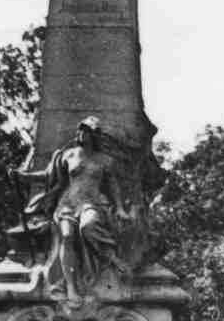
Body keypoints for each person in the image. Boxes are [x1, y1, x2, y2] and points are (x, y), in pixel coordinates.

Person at [21, 116, 147, 310]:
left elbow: (113, 186)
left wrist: (120, 208)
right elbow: (48, 177)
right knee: (66, 235)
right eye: (80, 130)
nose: (81, 134)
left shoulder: (105, 160)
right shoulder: (68, 155)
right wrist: (24, 177)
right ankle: (71, 288)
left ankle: (112, 258)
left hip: (93, 202)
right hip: (68, 203)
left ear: (94, 135)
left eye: (86, 131)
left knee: (88, 227)